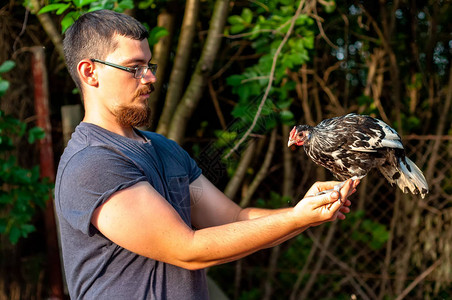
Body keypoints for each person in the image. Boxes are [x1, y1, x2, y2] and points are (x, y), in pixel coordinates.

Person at [54, 9, 358, 300]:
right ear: (90, 72)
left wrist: (309, 211)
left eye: (149, 66)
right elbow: (188, 249)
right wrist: (296, 218)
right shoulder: (92, 163)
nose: (150, 78)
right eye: (134, 68)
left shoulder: (164, 148)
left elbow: (233, 219)